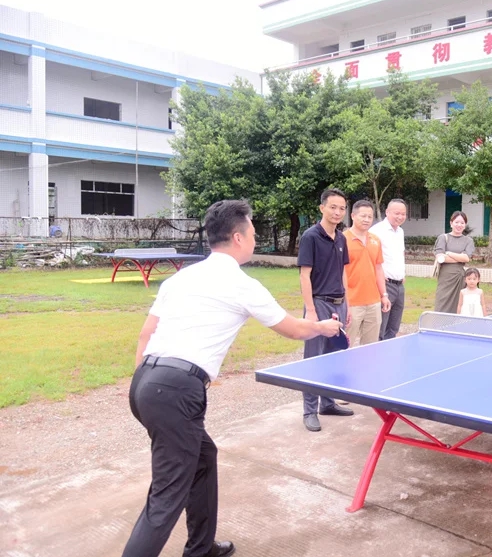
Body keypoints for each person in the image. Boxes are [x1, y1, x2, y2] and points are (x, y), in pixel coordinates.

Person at [123, 200, 342, 557]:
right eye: (253, 233)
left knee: (203, 457)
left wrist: (145, 389)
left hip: (146, 382)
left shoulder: (181, 278)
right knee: (165, 497)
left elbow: (146, 334)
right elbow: (292, 328)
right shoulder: (241, 284)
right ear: (238, 238)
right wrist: (322, 327)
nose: (255, 239)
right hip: (176, 390)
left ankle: (200, 547)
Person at [297, 188, 356, 432]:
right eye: (333, 207)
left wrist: (346, 303)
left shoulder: (341, 238)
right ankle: (309, 411)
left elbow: (342, 272)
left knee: (334, 357)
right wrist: (310, 310)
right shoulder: (310, 237)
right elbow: (304, 275)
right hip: (318, 304)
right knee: (314, 358)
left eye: (342, 208)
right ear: (322, 208)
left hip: (338, 304)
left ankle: (328, 403)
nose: (337, 212)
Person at [343, 199, 391, 347]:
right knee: (346, 345)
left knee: (370, 346)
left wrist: (384, 295)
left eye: (370, 216)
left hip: (373, 302)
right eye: (363, 216)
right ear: (353, 216)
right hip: (351, 302)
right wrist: (345, 302)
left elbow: (378, 268)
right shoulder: (342, 239)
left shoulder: (375, 240)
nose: (366, 219)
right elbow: (338, 272)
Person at [370, 198, 407, 340]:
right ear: (387, 212)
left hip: (399, 285)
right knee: (381, 325)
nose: (400, 217)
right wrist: (377, 275)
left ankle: (390, 349)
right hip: (385, 284)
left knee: (394, 325)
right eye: (397, 213)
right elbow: (369, 255)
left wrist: (402, 273)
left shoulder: (400, 231)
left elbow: (400, 254)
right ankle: (378, 352)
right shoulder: (376, 231)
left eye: (403, 214)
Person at [434, 211, 475, 313]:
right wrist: (459, 257)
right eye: (456, 222)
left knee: (459, 306)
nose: (459, 225)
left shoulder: (468, 241)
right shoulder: (443, 238)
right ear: (451, 223)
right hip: (445, 278)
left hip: (459, 277)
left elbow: (466, 258)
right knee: (441, 304)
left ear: (465, 225)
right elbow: (440, 258)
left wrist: (448, 253)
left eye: (462, 223)